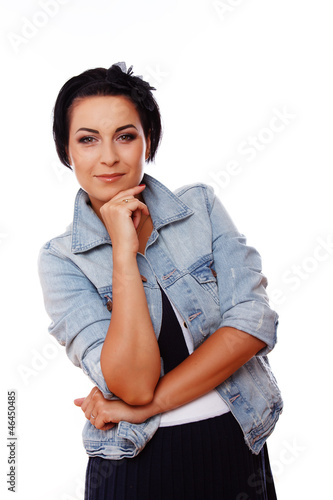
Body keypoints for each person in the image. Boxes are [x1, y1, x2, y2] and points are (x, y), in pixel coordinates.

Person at [38, 62, 283, 500]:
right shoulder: (61, 260)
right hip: (135, 469)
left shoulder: (200, 207)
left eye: (125, 136)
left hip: (236, 448)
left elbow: (252, 324)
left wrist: (149, 405)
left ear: (147, 141)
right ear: (66, 151)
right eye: (88, 139)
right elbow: (132, 383)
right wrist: (122, 252)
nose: (108, 156)